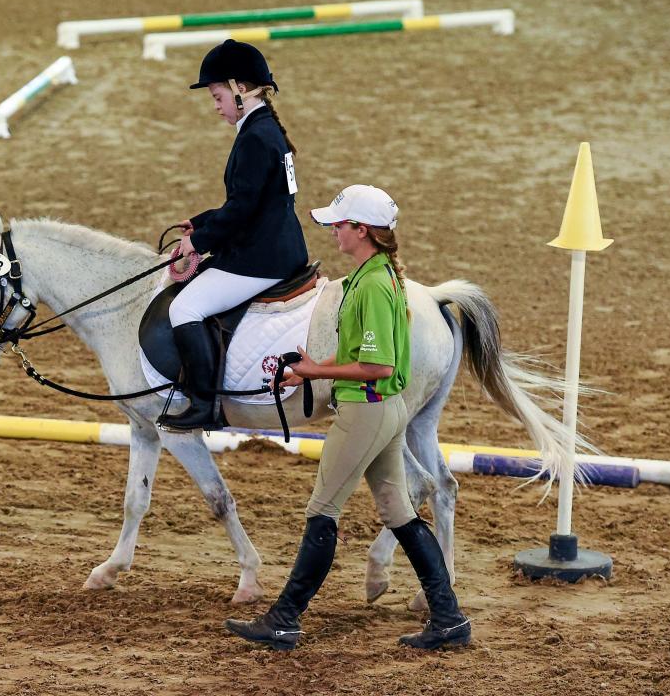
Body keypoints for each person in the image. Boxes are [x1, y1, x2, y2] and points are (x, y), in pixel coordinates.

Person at [224, 185, 471, 651]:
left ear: (362, 230)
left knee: (321, 511)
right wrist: (309, 376)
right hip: (382, 409)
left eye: (340, 224)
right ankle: (449, 617)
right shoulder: (371, 275)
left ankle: (285, 618)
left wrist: (316, 369)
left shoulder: (374, 284)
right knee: (399, 512)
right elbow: (361, 350)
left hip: (365, 410)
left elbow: (378, 365)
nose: (333, 230)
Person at [158, 39, 308, 432]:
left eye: (218, 94)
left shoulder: (257, 137)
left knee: (184, 309)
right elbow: (252, 200)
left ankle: (204, 404)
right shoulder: (265, 129)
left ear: (241, 88)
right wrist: (201, 221)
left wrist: (199, 242)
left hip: (262, 256)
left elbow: (243, 210)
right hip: (276, 243)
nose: (216, 104)